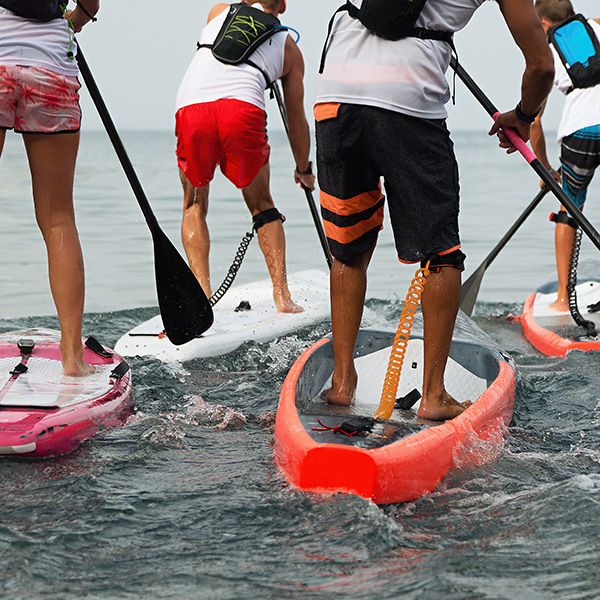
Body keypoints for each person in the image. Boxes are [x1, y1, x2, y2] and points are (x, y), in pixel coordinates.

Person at [315, 0, 554, 420]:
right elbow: (541, 67)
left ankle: (340, 383)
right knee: (441, 255)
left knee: (348, 249)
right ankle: (434, 395)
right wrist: (523, 115)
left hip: (335, 95)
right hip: (408, 102)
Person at [175, 0, 315, 313]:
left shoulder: (218, 12)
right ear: (283, 5)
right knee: (261, 204)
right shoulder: (288, 47)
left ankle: (201, 300)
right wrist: (304, 168)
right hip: (242, 109)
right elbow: (296, 121)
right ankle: (282, 298)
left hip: (191, 107)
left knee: (194, 203)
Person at [0, 0, 99, 376]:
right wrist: (74, 22)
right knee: (58, 218)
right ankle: (72, 357)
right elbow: (89, 4)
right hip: (51, 69)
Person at [530, 0, 600, 312]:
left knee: (569, 208)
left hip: (581, 130)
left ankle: (562, 299)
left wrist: (546, 172)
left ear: (543, 24)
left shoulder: (545, 52)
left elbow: (534, 122)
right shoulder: (596, 25)